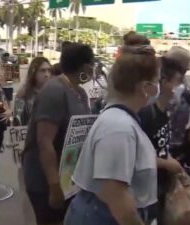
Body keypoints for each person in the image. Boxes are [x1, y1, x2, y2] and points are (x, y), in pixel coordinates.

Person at [65, 45, 159, 225]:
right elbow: (117, 197)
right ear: (145, 87)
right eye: (156, 81)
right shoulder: (119, 127)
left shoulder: (123, 120)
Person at [23, 42, 93, 225]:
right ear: (86, 67)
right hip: (45, 180)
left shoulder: (80, 93)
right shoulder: (54, 91)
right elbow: (44, 142)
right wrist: (54, 187)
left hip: (68, 178)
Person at [138, 56, 185, 224]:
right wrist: (167, 164)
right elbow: (137, 156)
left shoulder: (164, 112)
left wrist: (174, 164)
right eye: (177, 82)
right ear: (163, 82)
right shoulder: (146, 114)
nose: (181, 87)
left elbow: (161, 148)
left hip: (160, 187)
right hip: (146, 191)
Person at [15, 57, 52, 125]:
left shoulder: (53, 92)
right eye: (42, 70)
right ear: (34, 72)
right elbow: (18, 121)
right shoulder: (24, 93)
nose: (47, 74)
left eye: (49, 70)